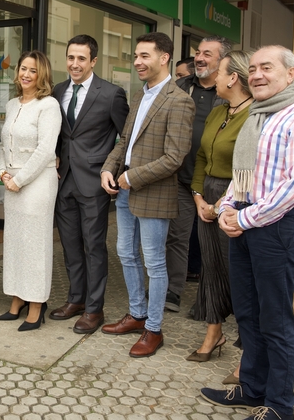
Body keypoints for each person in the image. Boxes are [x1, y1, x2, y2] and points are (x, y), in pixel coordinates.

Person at [201, 46, 294, 420]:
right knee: (248, 315)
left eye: (266, 68)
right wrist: (227, 208)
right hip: (246, 223)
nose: (256, 74)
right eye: (253, 68)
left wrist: (243, 218)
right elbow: (244, 177)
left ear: (290, 74)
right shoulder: (259, 116)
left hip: (278, 230)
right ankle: (252, 389)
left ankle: (279, 405)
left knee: (275, 321)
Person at [100, 32, 194, 357]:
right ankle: (137, 314)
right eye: (136, 56)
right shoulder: (139, 95)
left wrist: (131, 177)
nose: (137, 62)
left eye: (144, 56)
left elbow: (174, 157)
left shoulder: (180, 100)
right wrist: (108, 168)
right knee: (126, 253)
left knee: (154, 262)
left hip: (153, 193)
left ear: (164, 57)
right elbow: (124, 141)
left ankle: (153, 329)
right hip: (126, 191)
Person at [51, 35, 128, 334]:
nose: (75, 64)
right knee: (70, 246)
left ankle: (95, 309)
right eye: (71, 57)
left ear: (93, 61)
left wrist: (112, 171)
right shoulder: (58, 91)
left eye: (81, 58)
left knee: (94, 246)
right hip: (64, 181)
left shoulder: (111, 94)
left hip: (94, 182)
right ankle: (76, 299)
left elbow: (126, 138)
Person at [187, 50, 253, 361]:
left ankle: (249, 347)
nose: (214, 78)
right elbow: (201, 156)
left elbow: (249, 171)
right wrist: (199, 197)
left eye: (220, 72)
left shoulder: (254, 117)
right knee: (211, 268)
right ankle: (214, 333)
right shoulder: (218, 111)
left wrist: (218, 206)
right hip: (208, 195)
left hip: (237, 199)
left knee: (236, 271)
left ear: (233, 78)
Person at [0, 51, 61, 331]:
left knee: (35, 246)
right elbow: (2, 144)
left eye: (33, 70)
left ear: (42, 75)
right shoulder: (11, 104)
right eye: (23, 68)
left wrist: (19, 179)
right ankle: (17, 297)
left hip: (37, 183)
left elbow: (46, 149)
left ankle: (36, 304)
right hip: (12, 181)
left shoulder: (49, 105)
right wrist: (2, 172)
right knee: (15, 243)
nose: (26, 74)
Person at [165, 36, 230, 312]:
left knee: (216, 244)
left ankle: (216, 302)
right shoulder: (180, 86)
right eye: (198, 53)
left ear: (222, 61)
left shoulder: (228, 92)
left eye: (207, 54)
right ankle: (172, 291)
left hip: (216, 182)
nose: (199, 58)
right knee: (177, 237)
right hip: (182, 178)